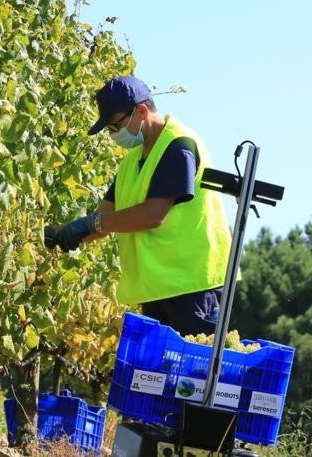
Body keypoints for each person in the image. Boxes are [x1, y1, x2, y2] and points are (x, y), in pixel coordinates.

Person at [44, 76, 232, 336]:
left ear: (141, 111)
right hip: (158, 287)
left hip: (193, 284)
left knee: (194, 374)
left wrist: (92, 223)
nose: (113, 135)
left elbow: (152, 215)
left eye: (115, 126)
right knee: (159, 375)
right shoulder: (132, 161)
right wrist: (67, 232)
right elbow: (105, 219)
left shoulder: (178, 145)